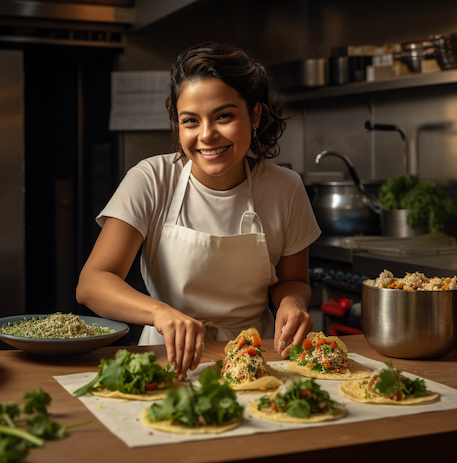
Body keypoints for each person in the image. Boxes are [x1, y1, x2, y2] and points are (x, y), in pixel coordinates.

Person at [76, 41, 321, 380]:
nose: (206, 135)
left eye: (224, 116)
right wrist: (161, 314)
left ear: (255, 115)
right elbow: (92, 284)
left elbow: (293, 280)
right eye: (190, 121)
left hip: (256, 358)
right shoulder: (151, 179)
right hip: (168, 359)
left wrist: (292, 304)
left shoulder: (285, 187)